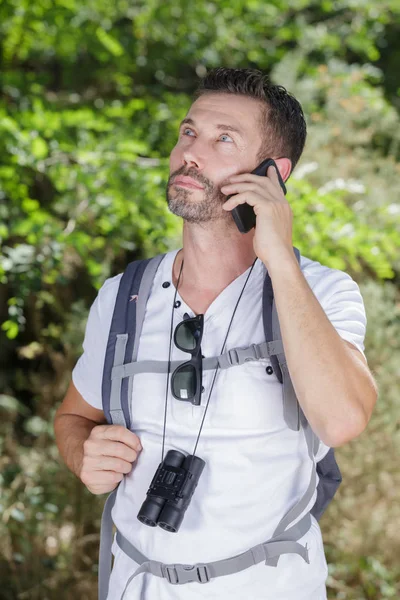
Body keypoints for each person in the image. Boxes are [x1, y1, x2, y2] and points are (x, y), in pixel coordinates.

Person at [54, 67, 378, 600]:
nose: (191, 153)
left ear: (273, 173)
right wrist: (82, 454)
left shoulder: (322, 291)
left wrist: (279, 261)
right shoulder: (123, 295)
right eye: (188, 133)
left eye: (223, 138)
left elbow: (342, 420)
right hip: (134, 586)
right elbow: (73, 418)